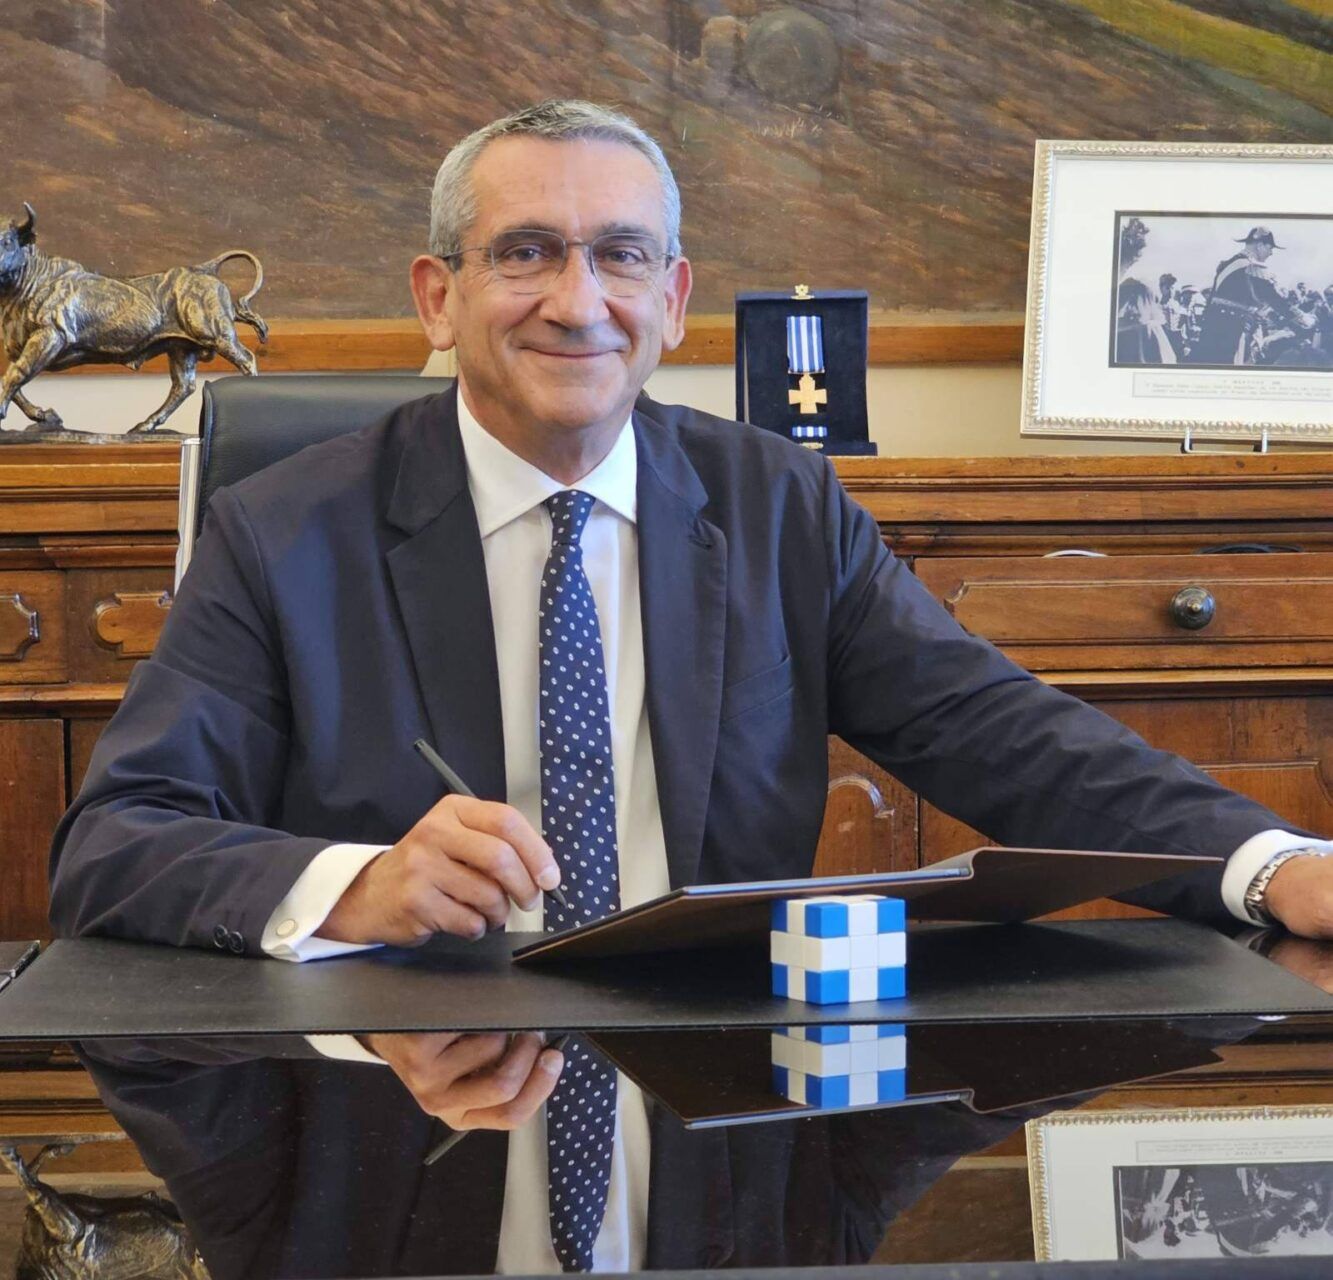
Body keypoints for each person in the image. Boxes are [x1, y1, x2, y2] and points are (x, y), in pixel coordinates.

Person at [47, 101, 1333, 1271]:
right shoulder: (284, 531)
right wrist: (356, 883)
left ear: (671, 299)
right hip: (391, 1088)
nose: (576, 301)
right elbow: (116, 840)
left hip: (735, 1087)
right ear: (438, 296)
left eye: (619, 256)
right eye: (525, 252)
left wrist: (1272, 864)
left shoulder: (778, 505)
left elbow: (996, 729)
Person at [1188, 226, 1296, 366]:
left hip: (1212, 329)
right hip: (1231, 333)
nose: (1271, 253)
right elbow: (1273, 298)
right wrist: (1300, 318)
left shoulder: (1228, 264)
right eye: (1270, 248)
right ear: (1260, 245)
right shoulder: (1251, 267)